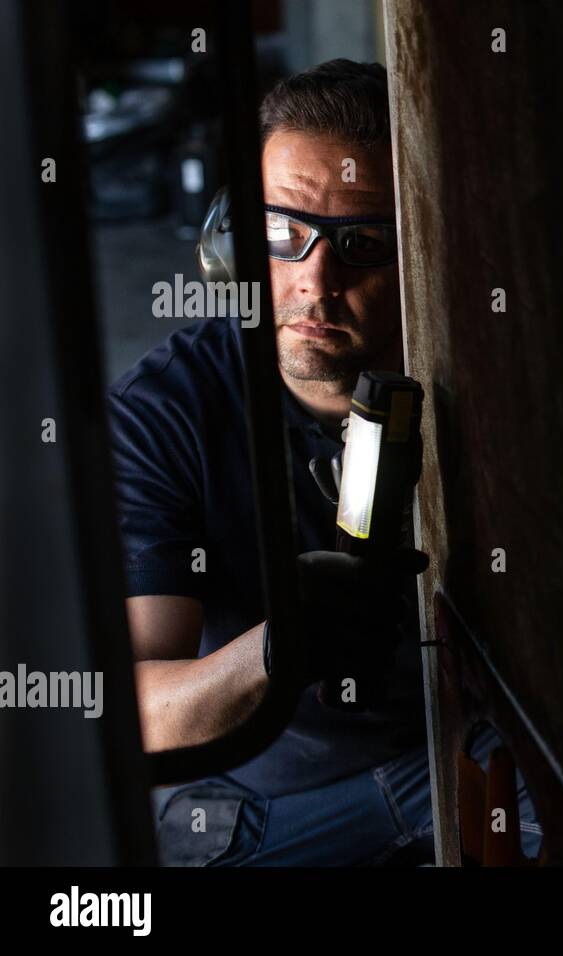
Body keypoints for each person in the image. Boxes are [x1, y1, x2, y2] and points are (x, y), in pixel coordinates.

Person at [109, 59, 539, 865]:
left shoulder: (497, 380)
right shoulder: (164, 413)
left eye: (365, 243)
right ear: (228, 245)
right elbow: (135, 705)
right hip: (274, 795)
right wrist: (273, 651)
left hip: (463, 748)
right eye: (282, 235)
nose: (316, 280)